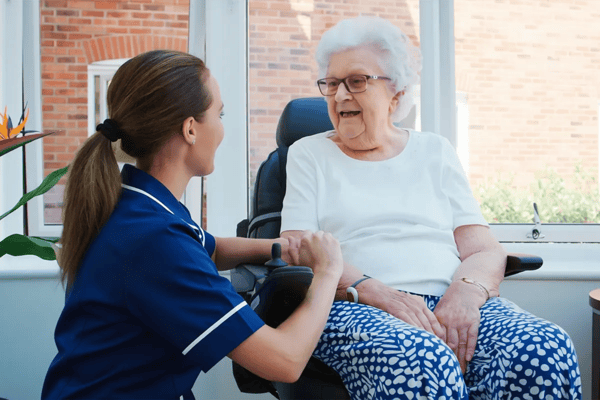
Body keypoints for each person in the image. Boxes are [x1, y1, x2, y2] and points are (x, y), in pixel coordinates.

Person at [280, 16, 582, 400]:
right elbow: (297, 246)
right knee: (421, 359)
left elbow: (484, 250)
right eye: (332, 83)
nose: (340, 96)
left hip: (450, 298)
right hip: (357, 304)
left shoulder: (434, 150)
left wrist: (465, 296)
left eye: (356, 81)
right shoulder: (310, 154)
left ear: (397, 92)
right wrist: (380, 293)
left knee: (543, 348)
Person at [42, 50, 343, 399]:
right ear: (189, 129)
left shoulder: (136, 202)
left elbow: (208, 248)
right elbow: (285, 361)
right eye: (220, 113)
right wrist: (327, 272)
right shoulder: (156, 241)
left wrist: (285, 246)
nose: (221, 128)